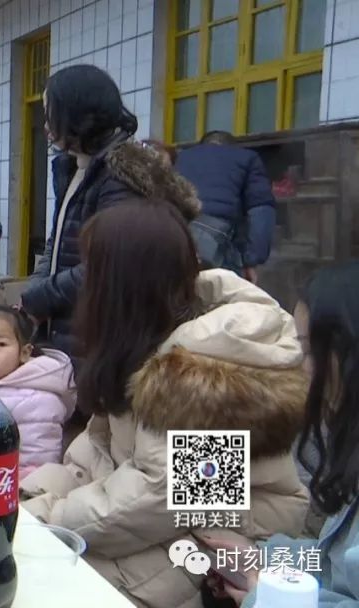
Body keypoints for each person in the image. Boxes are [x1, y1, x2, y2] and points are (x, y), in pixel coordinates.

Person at [20, 203, 308, 608]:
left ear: (123, 284)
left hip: (223, 539)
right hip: (162, 521)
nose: (83, 286)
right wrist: (27, 496)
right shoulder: (144, 340)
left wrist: (46, 519)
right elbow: (96, 452)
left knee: (46, 584)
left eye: (93, 270)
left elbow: (162, 496)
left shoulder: (208, 370)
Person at [202, 261, 359, 606]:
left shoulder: (194, 389)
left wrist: (59, 511)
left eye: (307, 351)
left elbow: (170, 505)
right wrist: (266, 557)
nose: (300, 366)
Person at [20, 64, 200, 358]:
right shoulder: (75, 165)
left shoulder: (118, 178)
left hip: (100, 332)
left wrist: (40, 297)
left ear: (76, 114)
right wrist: (35, 293)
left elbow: (106, 264)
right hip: (68, 324)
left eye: (50, 113)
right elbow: (56, 242)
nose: (46, 126)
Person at [0, 306, 75, 478]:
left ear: (24, 353)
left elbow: (38, 462)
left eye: (1, 344)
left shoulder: (39, 399)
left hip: (19, 489)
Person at [175, 130, 276, 281]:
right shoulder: (248, 158)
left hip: (176, 235)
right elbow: (261, 212)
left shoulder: (182, 158)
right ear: (232, 147)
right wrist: (251, 261)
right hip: (216, 240)